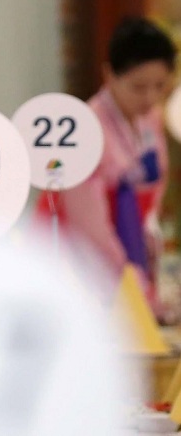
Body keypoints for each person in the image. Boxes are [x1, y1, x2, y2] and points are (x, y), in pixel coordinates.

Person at [35, 17, 177, 306]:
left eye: (159, 86)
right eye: (138, 87)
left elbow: (154, 190)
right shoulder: (85, 131)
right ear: (109, 74)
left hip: (129, 242)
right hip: (77, 251)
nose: (150, 97)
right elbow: (91, 229)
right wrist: (132, 283)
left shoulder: (150, 119)